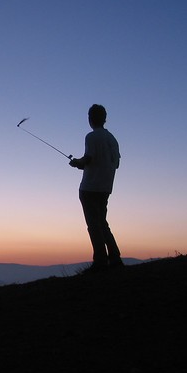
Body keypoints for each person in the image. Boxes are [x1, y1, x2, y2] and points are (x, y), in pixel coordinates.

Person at [69, 104, 123, 272]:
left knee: (94, 225)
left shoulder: (91, 137)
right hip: (106, 187)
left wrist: (78, 163)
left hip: (90, 187)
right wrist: (83, 164)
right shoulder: (112, 139)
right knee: (102, 223)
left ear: (90, 118)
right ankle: (114, 258)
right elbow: (115, 164)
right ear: (104, 118)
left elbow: (89, 159)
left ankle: (100, 261)